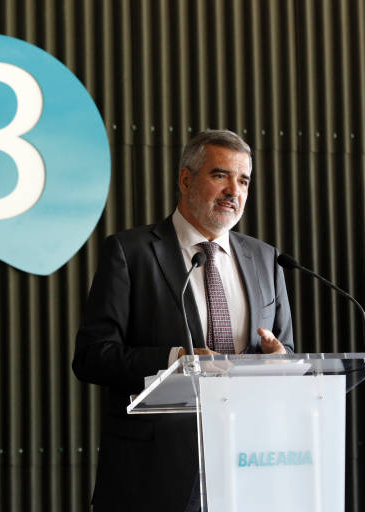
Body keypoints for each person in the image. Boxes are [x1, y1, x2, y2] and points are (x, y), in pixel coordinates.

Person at [72, 130, 294, 512]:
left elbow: (285, 348)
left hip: (249, 464)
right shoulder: (131, 252)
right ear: (186, 179)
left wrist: (280, 360)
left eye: (243, 181)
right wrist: (177, 360)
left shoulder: (265, 259)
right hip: (156, 476)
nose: (233, 191)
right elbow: (93, 356)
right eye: (220, 175)